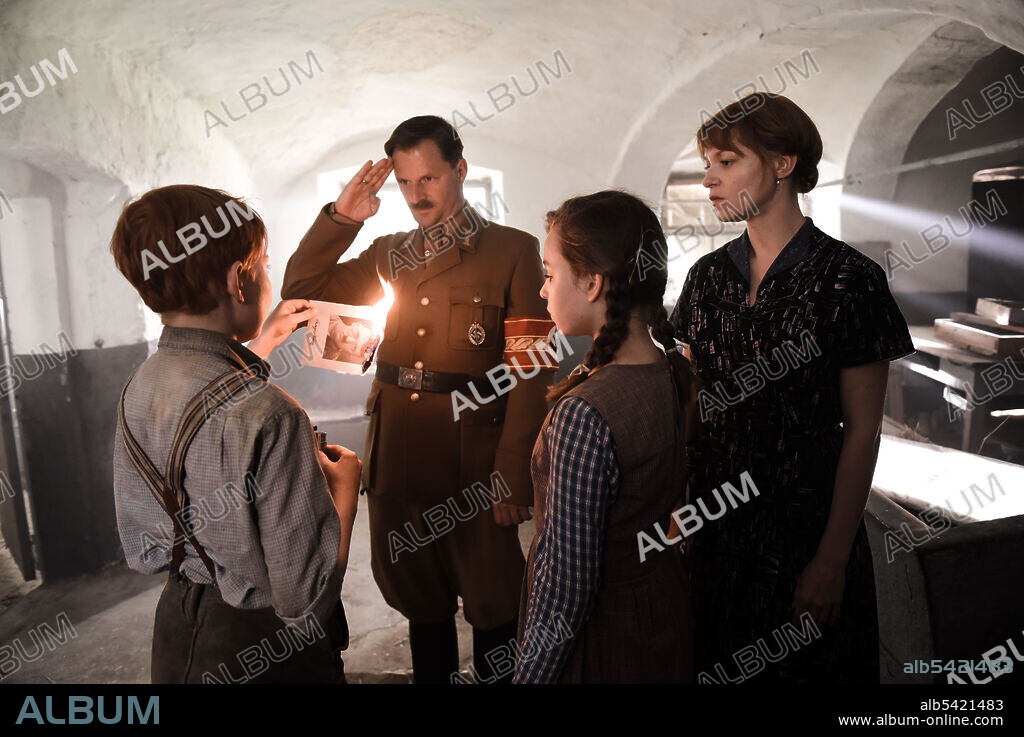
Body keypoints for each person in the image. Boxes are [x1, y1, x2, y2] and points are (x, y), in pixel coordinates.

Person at [281, 115, 556, 684]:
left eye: (428, 178)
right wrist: (341, 219)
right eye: (404, 182)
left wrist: (514, 475)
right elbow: (302, 294)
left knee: (493, 603)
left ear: (460, 169)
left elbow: (530, 370)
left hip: (475, 465)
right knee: (420, 603)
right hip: (400, 457)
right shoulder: (388, 253)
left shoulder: (513, 250)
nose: (415, 195)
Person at [670, 93, 915, 683]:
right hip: (717, 527)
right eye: (707, 165)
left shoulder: (850, 279)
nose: (708, 180)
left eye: (727, 162)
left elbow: (862, 430)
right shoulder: (706, 279)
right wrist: (679, 506)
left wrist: (832, 558)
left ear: (782, 164)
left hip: (807, 527)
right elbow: (692, 406)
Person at [110, 184, 361, 684]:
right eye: (264, 265)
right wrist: (345, 498)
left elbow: (205, 409)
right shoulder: (273, 416)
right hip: (263, 650)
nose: (268, 275)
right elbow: (304, 604)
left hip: (178, 628)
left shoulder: (139, 385)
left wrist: (261, 342)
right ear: (237, 279)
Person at [514, 190, 694, 683]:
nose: (543, 291)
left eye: (550, 274)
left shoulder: (584, 414)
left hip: (604, 641)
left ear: (592, 282)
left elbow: (566, 588)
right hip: (661, 614)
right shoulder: (670, 369)